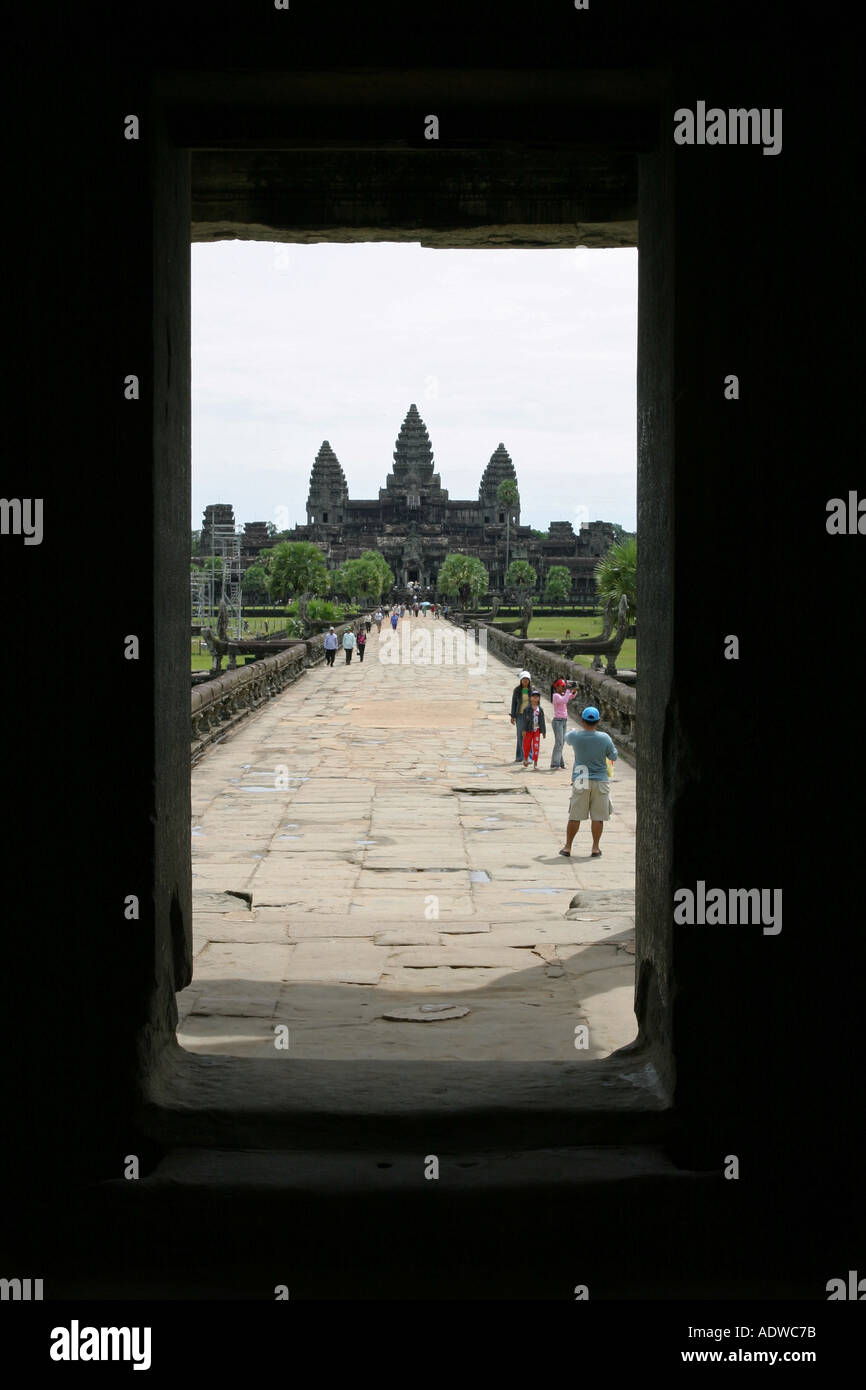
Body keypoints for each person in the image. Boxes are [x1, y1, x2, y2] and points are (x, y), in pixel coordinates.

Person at [559, 706, 618, 857]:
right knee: (598, 817)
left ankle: (567, 847)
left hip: (580, 778)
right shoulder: (604, 738)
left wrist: (573, 731)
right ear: (598, 721)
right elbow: (613, 756)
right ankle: (595, 848)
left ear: (582, 720)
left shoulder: (576, 737)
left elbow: (566, 737)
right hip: (600, 780)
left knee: (575, 815)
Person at [550, 678, 578, 769]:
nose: (563, 688)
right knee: (559, 743)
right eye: (562, 686)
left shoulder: (562, 694)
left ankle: (560, 763)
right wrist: (568, 690)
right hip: (558, 721)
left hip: (563, 721)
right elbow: (565, 700)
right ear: (556, 687)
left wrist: (573, 691)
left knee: (561, 742)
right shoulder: (555, 696)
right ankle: (555, 764)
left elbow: (570, 697)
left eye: (564, 686)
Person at [509, 670, 533, 762]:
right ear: (521, 680)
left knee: (528, 736)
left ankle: (529, 757)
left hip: (529, 716)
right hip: (519, 715)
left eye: (527, 679)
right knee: (520, 735)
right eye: (524, 679)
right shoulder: (517, 690)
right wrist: (512, 716)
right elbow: (514, 703)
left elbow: (537, 703)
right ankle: (519, 756)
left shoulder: (532, 690)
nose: (525, 681)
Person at [520, 689, 546, 769]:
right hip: (528, 730)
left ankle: (535, 763)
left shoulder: (540, 709)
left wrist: (543, 731)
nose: (535, 698)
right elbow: (524, 720)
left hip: (537, 730)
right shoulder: (526, 710)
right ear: (530, 698)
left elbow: (542, 721)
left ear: (539, 698)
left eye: (537, 697)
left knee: (536, 746)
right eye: (533, 696)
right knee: (526, 745)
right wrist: (523, 730)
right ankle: (525, 759)